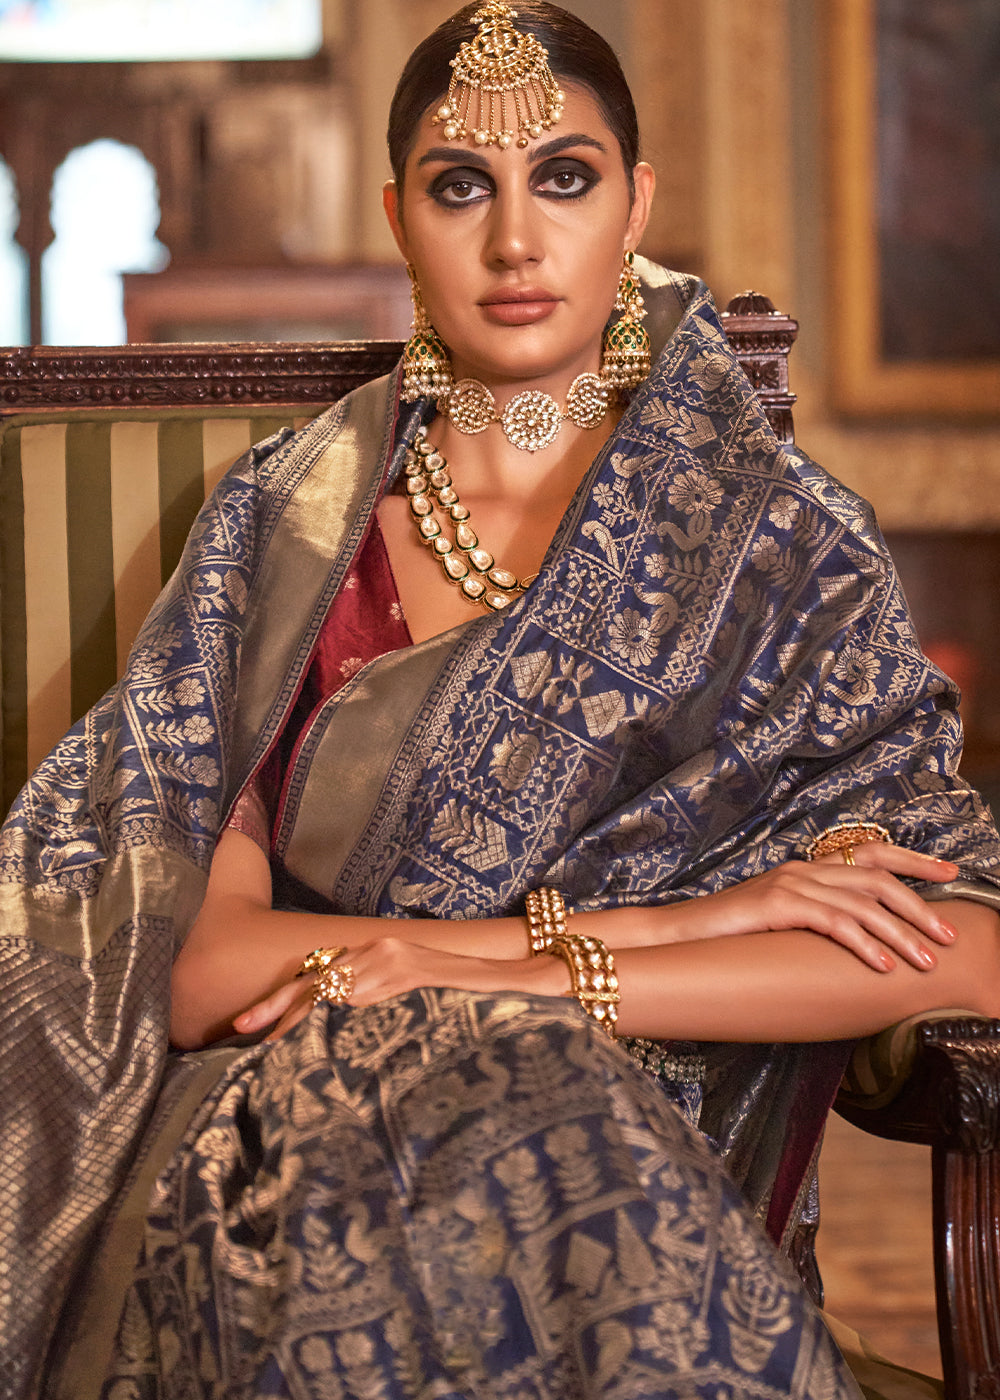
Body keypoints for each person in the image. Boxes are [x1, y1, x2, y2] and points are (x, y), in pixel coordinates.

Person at [3, 3, 1000, 1397]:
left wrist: (528, 981)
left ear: (635, 203)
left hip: (626, 1148)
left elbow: (964, 952)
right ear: (400, 216)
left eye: (565, 178)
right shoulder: (284, 535)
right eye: (463, 187)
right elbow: (201, 975)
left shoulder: (775, 548)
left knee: (550, 1117)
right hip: (297, 1121)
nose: (516, 241)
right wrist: (675, 923)